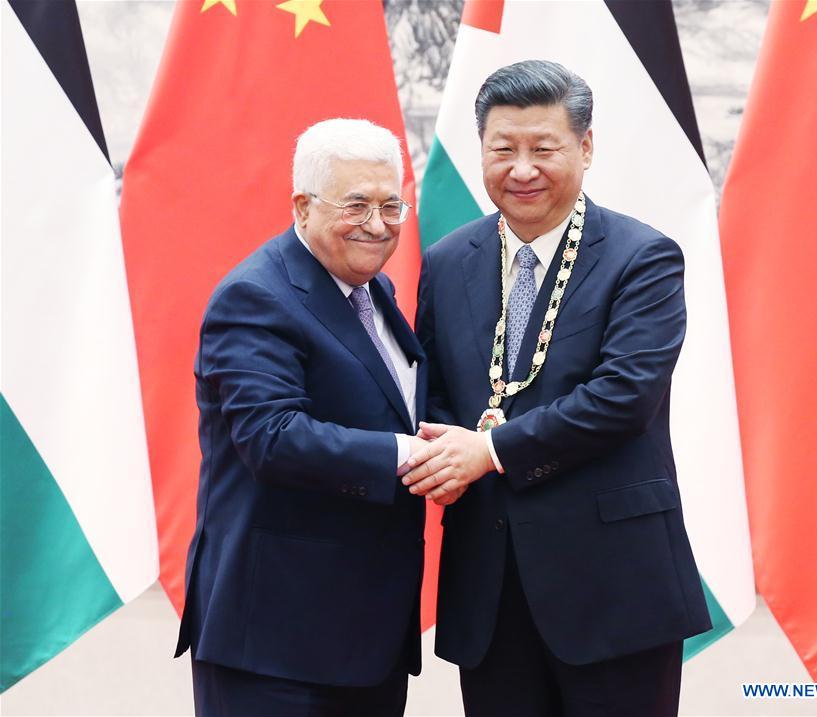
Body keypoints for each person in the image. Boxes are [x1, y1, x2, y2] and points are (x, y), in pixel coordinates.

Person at [406, 60, 712, 716]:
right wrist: (436, 454)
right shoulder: (445, 260)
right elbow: (431, 390)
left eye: (543, 148)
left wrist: (486, 453)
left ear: (585, 146)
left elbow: (622, 395)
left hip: (612, 586)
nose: (521, 169)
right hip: (487, 586)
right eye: (502, 149)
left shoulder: (642, 257)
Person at [175, 118, 427, 717]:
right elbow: (272, 436)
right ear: (303, 206)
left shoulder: (373, 289)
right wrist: (410, 454)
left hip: (366, 637)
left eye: (392, 205)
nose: (377, 224)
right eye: (357, 204)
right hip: (275, 644)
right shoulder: (257, 296)